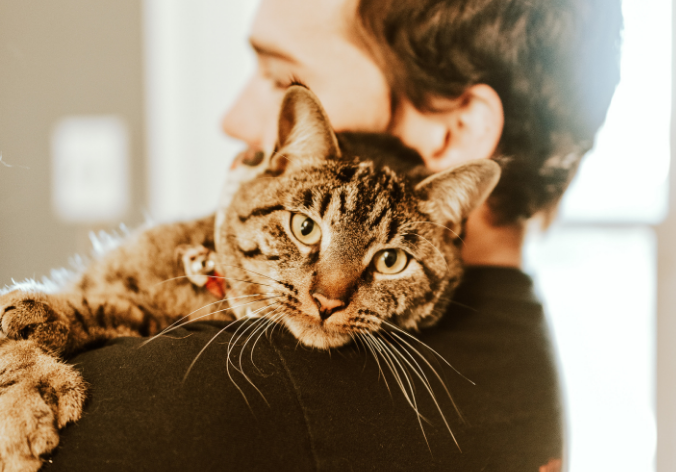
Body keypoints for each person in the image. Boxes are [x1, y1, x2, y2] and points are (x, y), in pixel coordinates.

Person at [44, 0, 621, 470]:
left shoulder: (218, 390)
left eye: (278, 78)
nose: (235, 119)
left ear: (459, 129)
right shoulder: (517, 341)